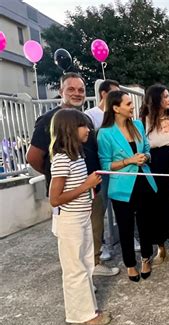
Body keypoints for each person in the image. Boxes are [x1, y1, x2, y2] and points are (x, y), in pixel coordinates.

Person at [27, 72, 119, 277]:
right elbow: (33, 157)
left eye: (81, 90)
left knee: (94, 228)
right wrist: (61, 178)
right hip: (70, 195)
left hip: (92, 187)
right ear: (60, 91)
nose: (77, 94)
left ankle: (94, 264)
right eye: (71, 89)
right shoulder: (48, 120)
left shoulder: (85, 118)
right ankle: (81, 278)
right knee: (74, 241)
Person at [49, 109, 111, 325]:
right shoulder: (61, 159)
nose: (88, 130)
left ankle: (86, 309)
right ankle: (80, 316)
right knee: (75, 269)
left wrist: (88, 185)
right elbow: (54, 198)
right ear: (70, 129)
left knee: (84, 265)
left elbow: (77, 186)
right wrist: (87, 185)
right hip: (70, 221)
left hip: (81, 217)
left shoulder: (78, 156)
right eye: (84, 126)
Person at [97, 90, 158, 282]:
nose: (132, 106)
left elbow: (148, 150)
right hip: (122, 187)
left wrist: (145, 157)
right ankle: (130, 264)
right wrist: (128, 161)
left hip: (144, 182)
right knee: (125, 227)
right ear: (116, 108)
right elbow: (105, 165)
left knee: (146, 224)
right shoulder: (104, 133)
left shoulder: (138, 125)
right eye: (128, 104)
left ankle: (146, 258)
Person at [84, 79, 120, 261]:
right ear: (104, 94)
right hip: (101, 172)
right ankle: (101, 247)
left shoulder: (119, 114)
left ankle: (124, 237)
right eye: (115, 93)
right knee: (99, 212)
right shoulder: (89, 116)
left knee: (123, 207)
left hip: (120, 170)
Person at [140, 84, 169, 254]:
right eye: (165, 96)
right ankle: (160, 243)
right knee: (157, 205)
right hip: (154, 166)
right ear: (156, 99)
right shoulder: (143, 120)